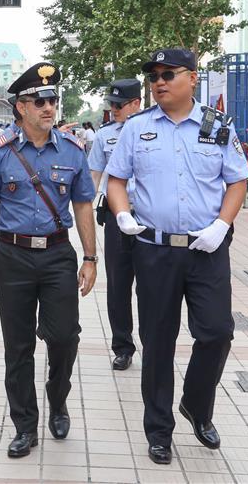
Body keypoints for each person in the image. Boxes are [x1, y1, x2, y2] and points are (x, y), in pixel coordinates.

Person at [105, 48, 248, 466]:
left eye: (169, 74)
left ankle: (197, 406)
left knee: (217, 332)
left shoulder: (217, 126)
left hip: (207, 250)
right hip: (154, 251)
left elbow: (237, 181)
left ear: (193, 78)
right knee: (158, 344)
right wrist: (123, 214)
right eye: (154, 76)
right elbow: (116, 180)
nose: (159, 82)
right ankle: (159, 432)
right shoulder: (136, 128)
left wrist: (222, 225)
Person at [0, 62, 97, 459]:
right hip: (13, 256)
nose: (48, 107)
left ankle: (58, 399)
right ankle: (25, 425)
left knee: (63, 337)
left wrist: (91, 258)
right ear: (20, 107)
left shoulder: (73, 151)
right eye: (39, 101)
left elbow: (84, 207)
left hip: (58, 254)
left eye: (52, 100)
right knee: (17, 346)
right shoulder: (0, 153)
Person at [88, 78, 141, 371]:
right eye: (111, 104)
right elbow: (93, 178)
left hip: (148, 217)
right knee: (118, 284)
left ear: (136, 104)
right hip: (114, 216)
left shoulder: (153, 131)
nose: (113, 109)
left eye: (119, 105)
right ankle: (123, 346)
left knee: (152, 285)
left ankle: (153, 340)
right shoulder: (104, 136)